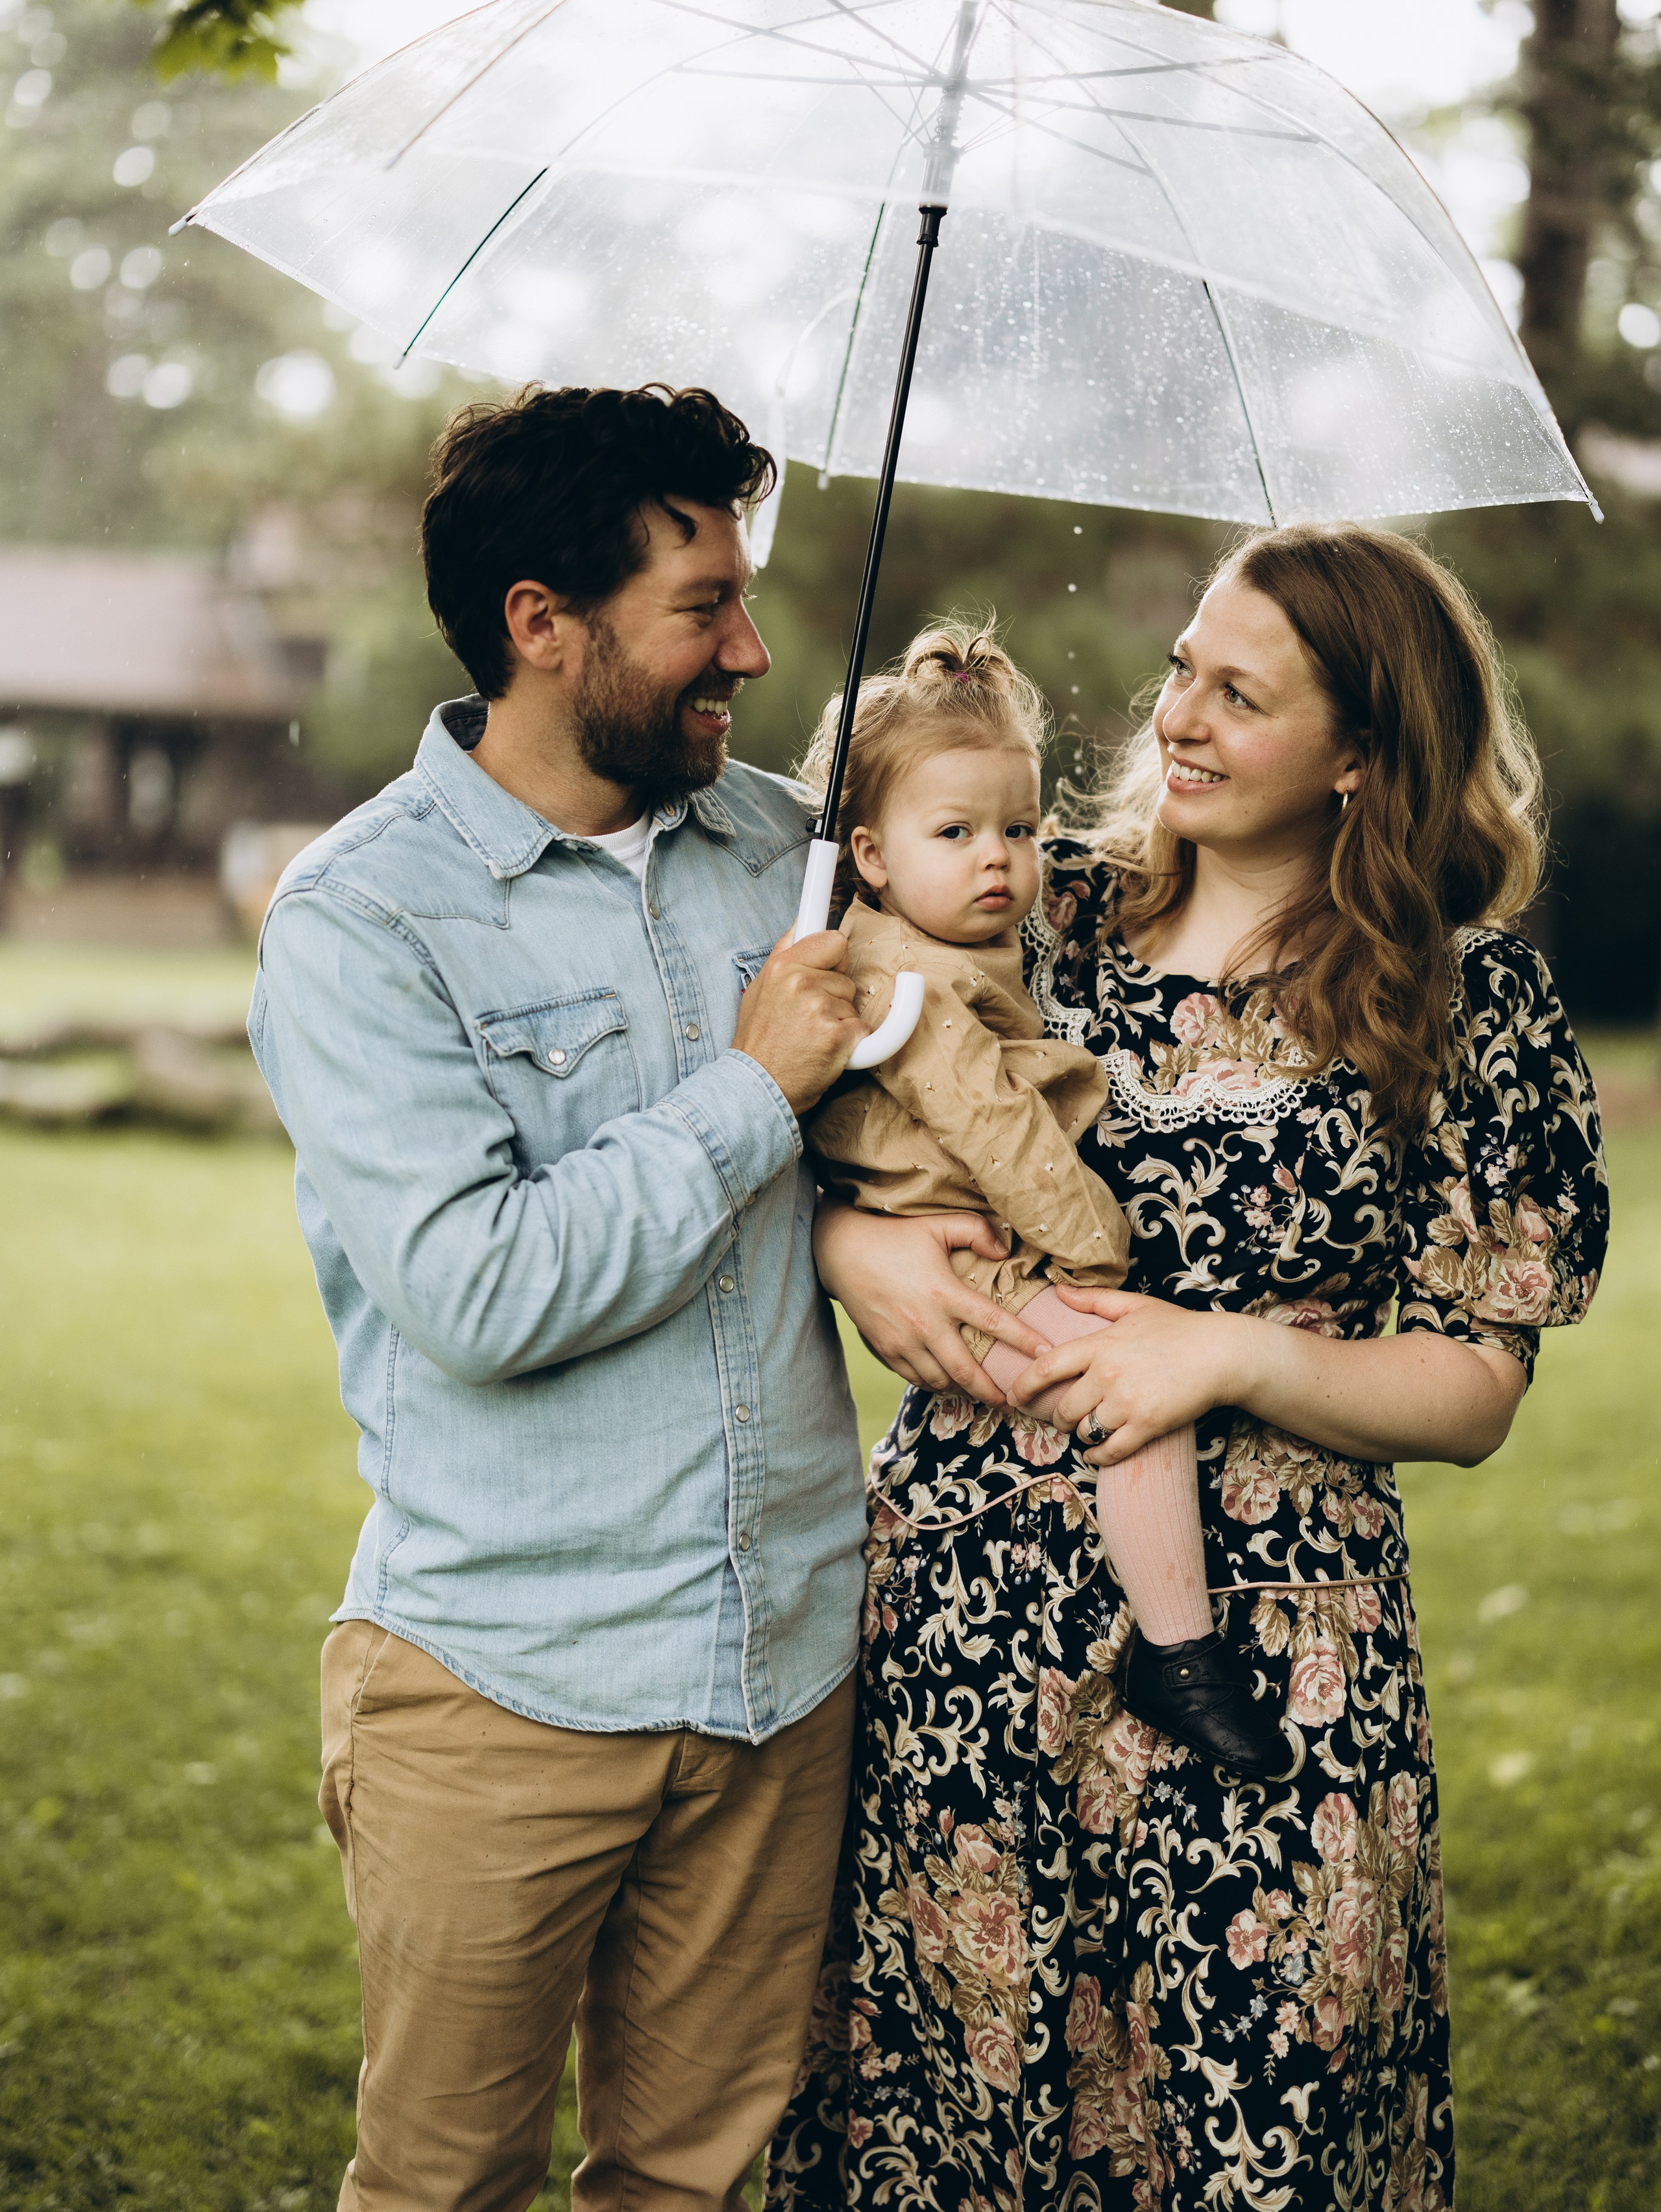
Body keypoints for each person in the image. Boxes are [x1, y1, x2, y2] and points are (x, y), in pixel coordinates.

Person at [250, 383, 1043, 2212]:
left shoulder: (792, 855)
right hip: (505, 1682)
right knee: (443, 2186)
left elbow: (905, 1111)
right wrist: (753, 1087)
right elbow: (481, 1287)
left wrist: (846, 1234)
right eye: (702, 607)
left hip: (787, 1670)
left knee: (687, 2187)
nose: (751, 652)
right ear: (543, 622)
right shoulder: (364, 918)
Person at [770, 523, 1609, 2212]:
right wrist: (848, 1246)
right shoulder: (1035, 904)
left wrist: (1224, 1354)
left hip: (1270, 1651)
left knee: (1252, 2111)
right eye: (1180, 671)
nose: (1179, 720)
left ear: (1362, 752)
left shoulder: (1460, 996)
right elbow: (824, 1091)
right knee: (964, 2111)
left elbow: (1474, 1386)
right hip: (970, 1626)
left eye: (1242, 694)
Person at [802, 620, 1286, 1779]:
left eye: (1019, 830)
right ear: (869, 855)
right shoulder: (908, 981)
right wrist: (1096, 1250)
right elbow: (998, 1130)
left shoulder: (940, 942)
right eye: (957, 834)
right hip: (983, 1263)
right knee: (1132, 1390)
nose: (1002, 862)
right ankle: (1179, 1649)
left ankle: (1174, 1645)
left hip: (978, 1246)